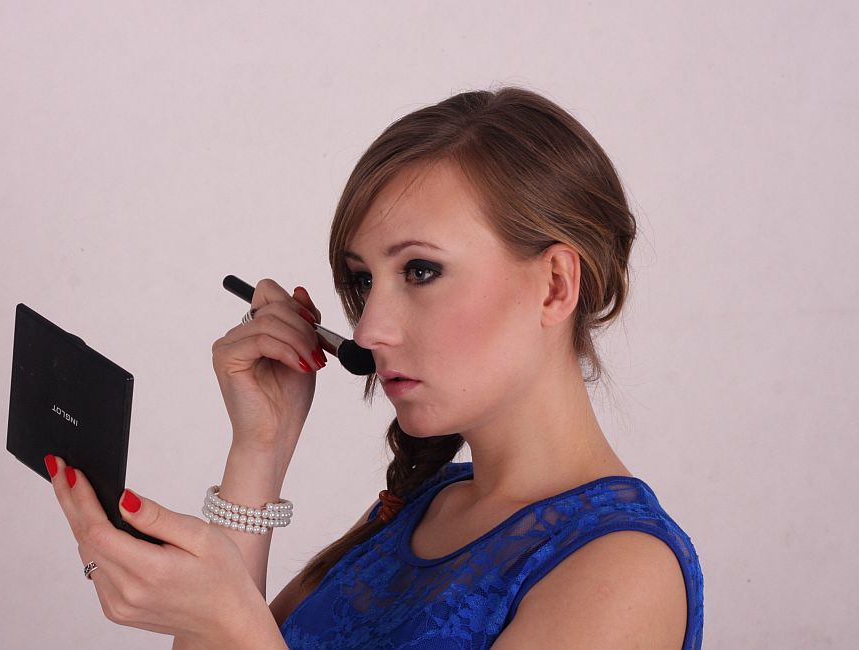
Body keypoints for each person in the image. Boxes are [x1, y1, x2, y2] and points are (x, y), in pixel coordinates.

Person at [47, 86, 704, 649]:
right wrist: (261, 447)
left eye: (420, 270)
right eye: (363, 280)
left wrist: (229, 623)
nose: (367, 330)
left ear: (555, 285)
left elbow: (237, 634)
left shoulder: (622, 571)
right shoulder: (420, 506)